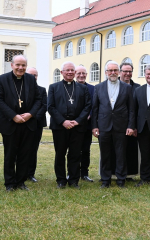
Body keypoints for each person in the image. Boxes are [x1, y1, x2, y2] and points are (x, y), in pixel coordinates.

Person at [0, 55, 41, 191]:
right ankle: (9, 183)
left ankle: (21, 181)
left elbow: (38, 99)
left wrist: (30, 114)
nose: (21, 68)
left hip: (27, 123)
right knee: (10, 155)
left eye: (23, 65)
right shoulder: (2, 79)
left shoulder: (31, 79)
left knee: (24, 154)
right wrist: (13, 116)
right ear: (12, 65)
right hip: (10, 123)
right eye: (18, 65)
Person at [48, 61, 91, 189]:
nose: (70, 72)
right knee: (60, 154)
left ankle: (73, 180)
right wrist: (63, 121)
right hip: (60, 127)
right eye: (67, 70)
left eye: (72, 70)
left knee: (75, 154)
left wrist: (77, 121)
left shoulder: (83, 88)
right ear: (62, 72)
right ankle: (61, 180)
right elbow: (50, 107)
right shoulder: (53, 87)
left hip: (78, 127)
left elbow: (88, 106)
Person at [92, 61, 134, 188]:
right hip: (104, 126)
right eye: (110, 70)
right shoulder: (98, 87)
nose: (113, 72)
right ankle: (106, 180)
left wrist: (131, 126)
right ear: (106, 72)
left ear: (119, 72)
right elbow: (95, 109)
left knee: (121, 154)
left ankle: (121, 179)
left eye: (115, 70)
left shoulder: (127, 87)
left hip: (121, 126)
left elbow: (132, 109)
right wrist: (94, 126)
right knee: (105, 154)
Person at [119, 62, 140, 180]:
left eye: (129, 71)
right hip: (115, 124)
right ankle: (114, 173)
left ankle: (129, 174)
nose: (127, 74)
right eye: (125, 71)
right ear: (120, 72)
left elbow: (139, 108)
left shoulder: (137, 87)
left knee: (130, 150)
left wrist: (135, 126)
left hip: (132, 125)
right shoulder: (112, 85)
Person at [26, 67, 47, 183]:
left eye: (35, 75)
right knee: (22, 149)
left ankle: (30, 174)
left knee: (33, 149)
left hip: (36, 124)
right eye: (31, 75)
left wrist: (32, 118)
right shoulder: (21, 89)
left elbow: (44, 106)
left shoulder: (42, 90)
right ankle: (20, 172)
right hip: (22, 124)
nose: (33, 77)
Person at [75, 65, 95, 182]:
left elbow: (94, 104)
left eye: (83, 73)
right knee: (74, 150)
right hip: (75, 124)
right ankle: (73, 172)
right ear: (75, 74)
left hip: (87, 124)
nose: (81, 75)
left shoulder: (93, 88)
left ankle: (84, 173)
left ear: (86, 75)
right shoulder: (71, 87)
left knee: (86, 150)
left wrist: (90, 114)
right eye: (79, 73)